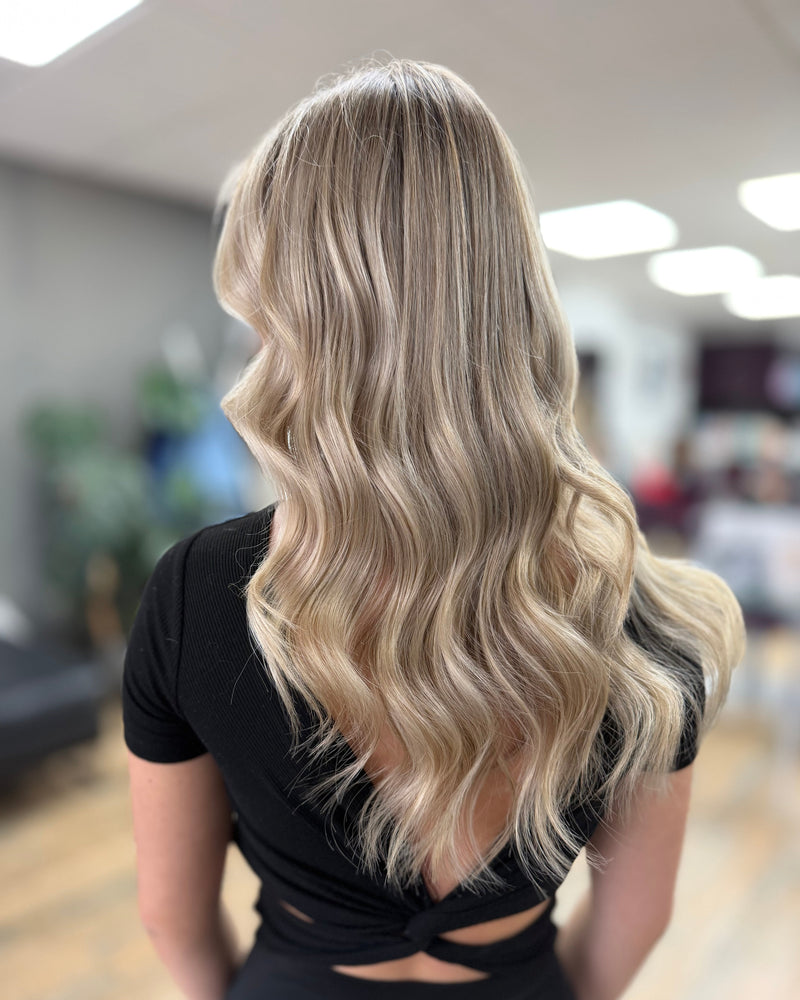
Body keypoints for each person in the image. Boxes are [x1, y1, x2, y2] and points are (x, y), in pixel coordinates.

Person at [122, 57, 746, 1000]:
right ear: (511, 302)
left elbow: (172, 920)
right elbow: (634, 926)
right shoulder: (641, 615)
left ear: (294, 317)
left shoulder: (197, 596)